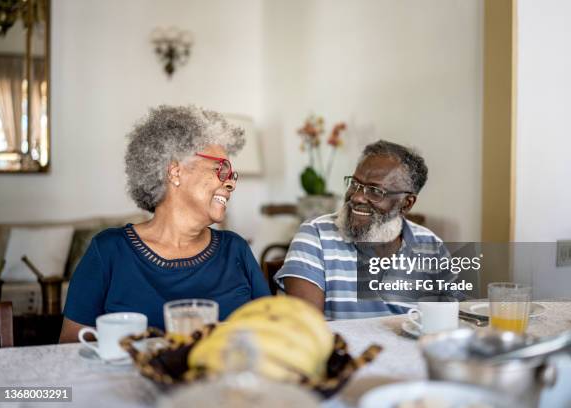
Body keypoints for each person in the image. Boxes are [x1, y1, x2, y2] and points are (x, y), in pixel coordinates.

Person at [60, 106, 270, 342]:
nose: (230, 183)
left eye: (232, 175)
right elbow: (70, 350)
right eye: (220, 169)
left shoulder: (236, 249)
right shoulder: (109, 251)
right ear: (175, 171)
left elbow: (272, 333)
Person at [275, 140, 450, 320]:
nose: (357, 197)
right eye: (355, 184)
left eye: (375, 191)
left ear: (406, 204)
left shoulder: (431, 246)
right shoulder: (315, 235)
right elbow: (305, 327)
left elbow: (451, 320)